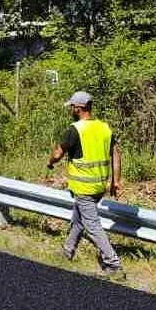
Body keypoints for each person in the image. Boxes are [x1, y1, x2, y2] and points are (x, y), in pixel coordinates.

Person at [47, 90, 124, 275]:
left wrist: (50, 162)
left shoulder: (75, 130)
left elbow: (58, 154)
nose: (71, 109)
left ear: (78, 108)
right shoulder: (104, 128)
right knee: (78, 220)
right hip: (99, 187)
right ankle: (67, 252)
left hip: (84, 187)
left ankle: (113, 264)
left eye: (72, 106)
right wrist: (116, 181)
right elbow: (116, 154)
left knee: (92, 225)